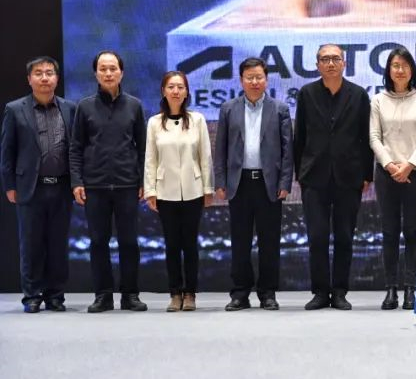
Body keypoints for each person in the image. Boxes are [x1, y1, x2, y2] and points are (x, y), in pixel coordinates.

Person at [294, 43, 373, 310]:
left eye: (335, 59)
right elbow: (299, 136)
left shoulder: (358, 95)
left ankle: (339, 292)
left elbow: (366, 137)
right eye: (325, 59)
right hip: (314, 177)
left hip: (348, 177)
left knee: (344, 237)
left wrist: (367, 174)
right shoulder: (306, 94)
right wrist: (300, 173)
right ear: (317, 64)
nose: (330, 63)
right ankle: (320, 291)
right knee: (316, 237)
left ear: (344, 63)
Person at [69, 50, 148, 313]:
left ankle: (130, 295)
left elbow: (143, 148)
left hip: (128, 185)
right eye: (103, 69)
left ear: (121, 73)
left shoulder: (135, 105)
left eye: (113, 68)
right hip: (95, 186)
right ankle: (103, 295)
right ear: (96, 74)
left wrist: (143, 181)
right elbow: (76, 147)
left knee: (129, 242)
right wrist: (77, 181)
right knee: (98, 242)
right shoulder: (84, 106)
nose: (108, 73)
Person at [214, 56, 294, 311]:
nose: (255, 82)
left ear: (266, 80)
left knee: (270, 242)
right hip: (239, 183)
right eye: (250, 78)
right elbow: (220, 148)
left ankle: (268, 293)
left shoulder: (280, 109)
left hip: (268, 184)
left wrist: (285, 182)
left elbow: (287, 151)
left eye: (259, 77)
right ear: (241, 80)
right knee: (240, 241)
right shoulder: (228, 108)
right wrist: (220, 181)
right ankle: (240, 293)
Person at [1, 56, 77, 312]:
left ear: (57, 78)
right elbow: (7, 151)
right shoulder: (15, 109)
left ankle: (55, 295)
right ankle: (32, 295)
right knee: (31, 244)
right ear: (29, 79)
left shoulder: (70, 108)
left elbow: (75, 150)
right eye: (38, 73)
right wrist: (9, 185)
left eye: (49, 73)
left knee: (58, 244)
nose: (44, 78)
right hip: (29, 187)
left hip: (62, 187)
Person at [370, 47, 416, 311]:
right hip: (386, 174)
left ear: (412, 70)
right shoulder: (377, 100)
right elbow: (374, 137)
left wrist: (409, 165)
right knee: (389, 232)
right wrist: (389, 164)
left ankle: (410, 288)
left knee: (412, 232)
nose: (400, 70)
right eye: (395, 65)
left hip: (415, 174)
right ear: (388, 70)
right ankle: (390, 289)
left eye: (405, 65)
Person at [143, 71, 212, 312]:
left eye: (180, 87)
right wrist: (150, 190)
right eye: (171, 87)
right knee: (172, 245)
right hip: (165, 192)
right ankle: (175, 293)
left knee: (190, 244)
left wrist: (208, 188)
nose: (175, 91)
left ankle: (190, 293)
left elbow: (205, 156)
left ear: (186, 92)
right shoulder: (154, 122)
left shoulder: (197, 120)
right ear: (163, 91)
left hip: (193, 190)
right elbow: (150, 159)